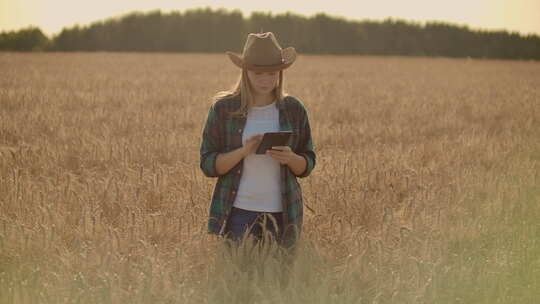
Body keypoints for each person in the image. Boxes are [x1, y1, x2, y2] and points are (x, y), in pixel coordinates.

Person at [199, 32, 316, 250]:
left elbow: (307, 164)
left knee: (280, 281)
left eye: (271, 73)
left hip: (284, 213)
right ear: (245, 72)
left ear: (280, 73)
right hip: (237, 213)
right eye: (258, 72)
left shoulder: (294, 109)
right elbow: (207, 164)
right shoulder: (224, 109)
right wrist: (243, 152)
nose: (265, 79)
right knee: (237, 279)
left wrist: (290, 158)